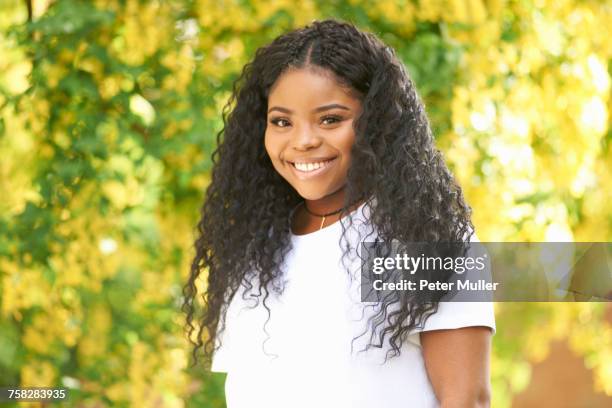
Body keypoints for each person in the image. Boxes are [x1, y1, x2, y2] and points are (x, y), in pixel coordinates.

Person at [183, 18, 495, 408]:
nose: (304, 140)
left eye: (330, 119)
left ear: (379, 122)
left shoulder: (424, 240)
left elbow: (467, 400)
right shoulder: (253, 249)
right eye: (282, 121)